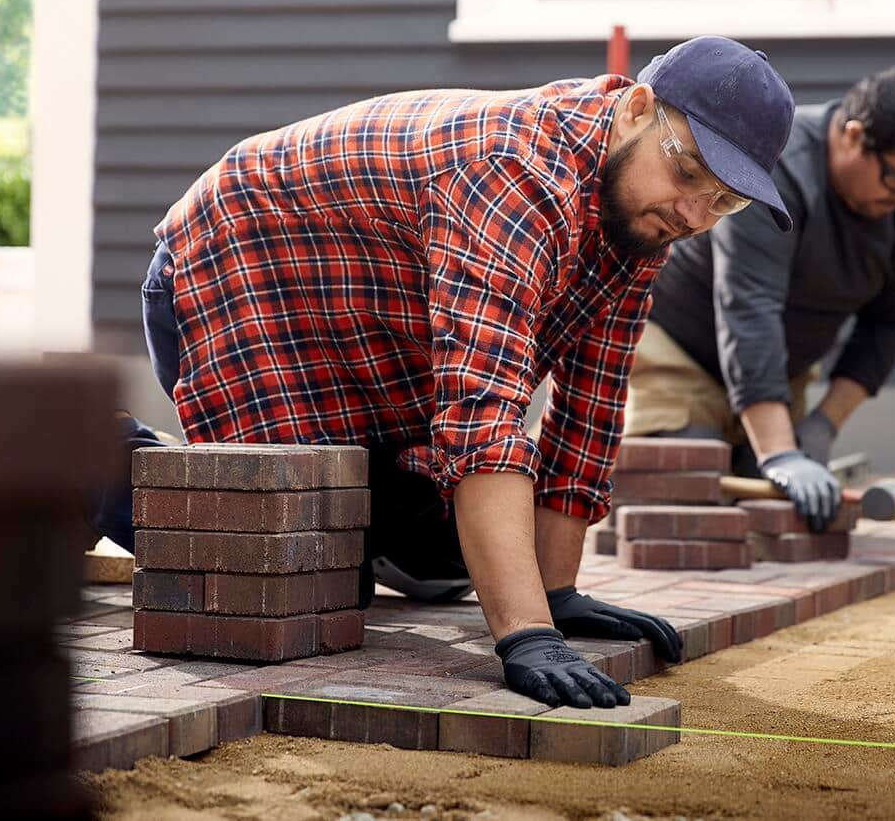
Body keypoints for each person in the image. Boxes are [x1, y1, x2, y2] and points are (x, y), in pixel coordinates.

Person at [90, 36, 797, 709]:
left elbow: (593, 402)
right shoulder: (516, 172)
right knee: (291, 572)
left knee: (445, 562)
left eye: (724, 202)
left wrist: (555, 596)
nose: (695, 214)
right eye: (688, 174)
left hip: (374, 341)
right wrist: (526, 636)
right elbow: (482, 407)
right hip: (244, 275)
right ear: (637, 110)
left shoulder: (639, 218)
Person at [624, 67, 895, 530]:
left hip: (778, 375)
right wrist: (780, 452)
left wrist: (823, 424)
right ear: (852, 135)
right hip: (678, 355)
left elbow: (891, 322)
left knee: (779, 516)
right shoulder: (776, 163)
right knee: (686, 491)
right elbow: (750, 307)